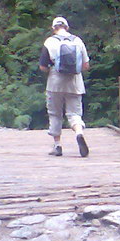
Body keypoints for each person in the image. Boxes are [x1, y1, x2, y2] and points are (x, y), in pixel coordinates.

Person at [39, 15, 90, 157]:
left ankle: (57, 146)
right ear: (67, 27)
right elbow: (86, 65)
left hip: (55, 83)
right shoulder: (78, 41)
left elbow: (43, 67)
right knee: (74, 114)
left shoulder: (49, 42)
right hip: (75, 83)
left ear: (53, 28)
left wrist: (52, 69)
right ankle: (79, 133)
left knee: (55, 114)